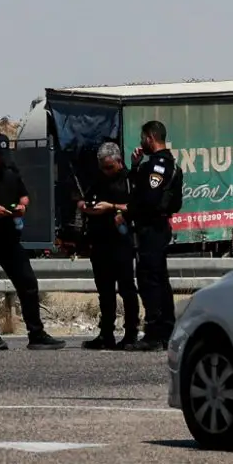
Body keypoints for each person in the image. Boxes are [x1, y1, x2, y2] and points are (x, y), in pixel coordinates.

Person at [0, 131, 61, 350]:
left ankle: (36, 333)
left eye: (4, 154)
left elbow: (23, 194)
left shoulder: (10, 169)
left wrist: (22, 206)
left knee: (27, 282)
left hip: (8, 237)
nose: (1, 158)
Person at [126, 119, 182, 351]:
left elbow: (147, 199)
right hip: (160, 227)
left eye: (143, 138)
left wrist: (128, 211)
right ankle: (167, 330)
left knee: (149, 280)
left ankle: (154, 333)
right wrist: (137, 166)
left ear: (150, 137)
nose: (141, 142)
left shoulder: (156, 167)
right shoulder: (173, 165)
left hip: (150, 228)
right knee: (160, 279)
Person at [77, 141, 139, 349]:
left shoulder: (130, 180)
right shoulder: (98, 180)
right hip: (100, 241)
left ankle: (131, 333)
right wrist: (86, 206)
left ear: (119, 162)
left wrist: (112, 208)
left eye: (109, 167)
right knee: (105, 290)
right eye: (103, 167)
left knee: (127, 289)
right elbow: (85, 201)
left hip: (121, 241)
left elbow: (137, 206)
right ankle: (106, 334)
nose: (106, 171)